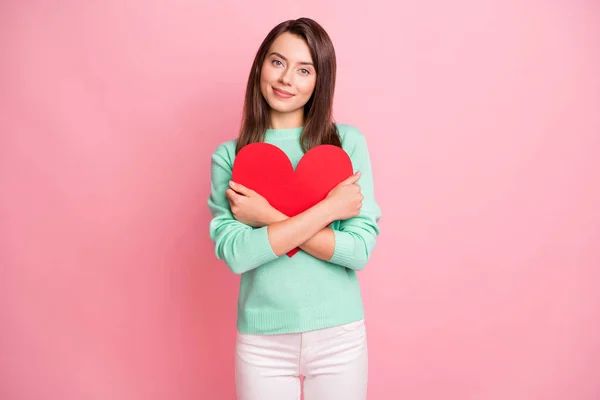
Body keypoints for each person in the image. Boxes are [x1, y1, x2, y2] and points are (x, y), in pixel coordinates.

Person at [207, 17, 381, 400]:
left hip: (339, 337)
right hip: (262, 343)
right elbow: (237, 255)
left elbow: (358, 252)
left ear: (320, 81)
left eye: (304, 70)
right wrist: (329, 209)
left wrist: (266, 216)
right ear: (259, 67)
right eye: (277, 62)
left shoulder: (345, 144)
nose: (287, 79)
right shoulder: (229, 157)